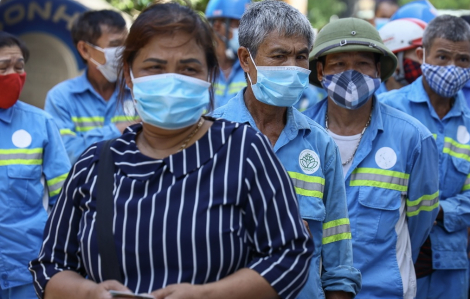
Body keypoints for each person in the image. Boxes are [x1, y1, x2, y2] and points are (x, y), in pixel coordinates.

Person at [29, 2, 314, 299]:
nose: (172, 79)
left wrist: (207, 295)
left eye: (189, 68)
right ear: (129, 75)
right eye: (155, 67)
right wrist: (90, 293)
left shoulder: (244, 151)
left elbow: (290, 253)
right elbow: (49, 266)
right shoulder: (94, 164)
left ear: (208, 77)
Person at [212, 2, 362, 299]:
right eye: (280, 56)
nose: (292, 67)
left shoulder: (319, 144)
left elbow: (338, 253)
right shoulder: (208, 136)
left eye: (301, 56)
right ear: (246, 59)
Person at [304, 18, 439, 299]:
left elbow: (420, 222)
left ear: (378, 70)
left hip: (382, 292)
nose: (351, 73)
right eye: (339, 64)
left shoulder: (413, 138)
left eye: (363, 64)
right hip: (310, 291)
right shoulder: (297, 135)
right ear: (320, 70)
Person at [379, 15, 470, 299]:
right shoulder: (387, 108)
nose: (452, 67)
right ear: (422, 55)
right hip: (389, 255)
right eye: (442, 57)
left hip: (450, 265)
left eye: (463, 59)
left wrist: (436, 211)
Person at [0, 32, 70, 299]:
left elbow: (64, 201)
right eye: (3, 67)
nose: (13, 74)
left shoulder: (41, 124)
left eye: (19, 67)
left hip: (28, 269)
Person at [44, 10, 139, 164]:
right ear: (85, 50)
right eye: (115, 45)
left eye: (125, 45)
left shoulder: (138, 90)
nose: (123, 52)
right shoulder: (61, 97)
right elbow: (63, 153)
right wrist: (121, 130)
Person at [205, 0, 250, 108]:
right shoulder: (200, 69)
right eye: (239, 25)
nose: (246, 32)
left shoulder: (252, 68)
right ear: (217, 26)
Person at [376, 18, 427, 96]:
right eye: (418, 54)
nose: (425, 61)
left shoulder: (432, 100)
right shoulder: (369, 101)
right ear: (392, 61)